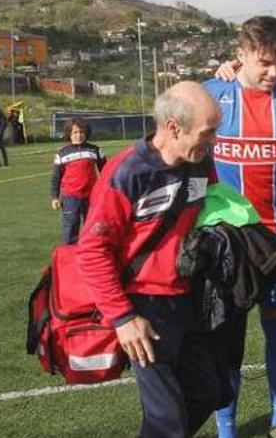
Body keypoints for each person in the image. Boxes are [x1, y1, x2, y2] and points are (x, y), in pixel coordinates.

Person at [76, 81, 225, 437]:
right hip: (143, 308)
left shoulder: (202, 163)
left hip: (186, 300)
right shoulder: (127, 173)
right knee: (167, 420)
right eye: (208, 132)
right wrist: (124, 318)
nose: (214, 141)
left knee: (209, 391)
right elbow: (92, 251)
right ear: (173, 127)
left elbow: (211, 214)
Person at [204, 16, 276, 438]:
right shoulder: (213, 95)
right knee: (227, 337)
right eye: (265, 63)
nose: (274, 72)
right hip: (228, 242)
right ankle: (226, 429)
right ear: (241, 56)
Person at [51, 118, 106, 244]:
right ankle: (68, 258)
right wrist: (54, 197)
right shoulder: (62, 153)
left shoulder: (95, 150)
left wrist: (106, 192)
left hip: (92, 196)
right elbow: (56, 177)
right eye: (75, 132)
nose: (78, 135)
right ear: (69, 134)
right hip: (71, 197)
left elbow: (106, 171)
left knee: (93, 228)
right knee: (70, 230)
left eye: (81, 132)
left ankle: (91, 255)